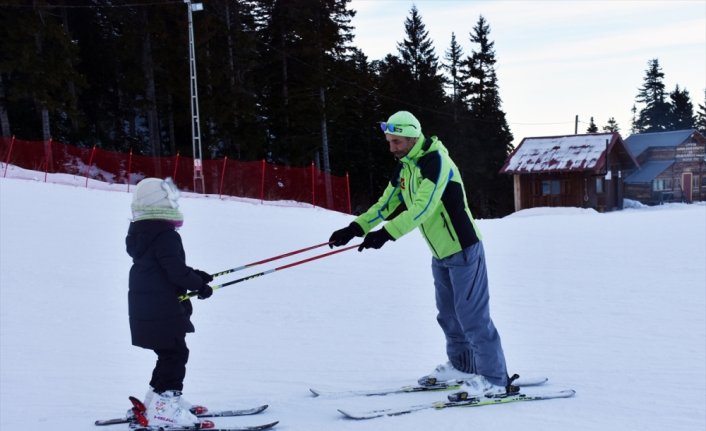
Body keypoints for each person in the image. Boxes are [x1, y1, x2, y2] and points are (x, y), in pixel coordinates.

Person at [328, 111, 513, 398]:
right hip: (440, 253)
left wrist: (387, 234)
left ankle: (495, 379)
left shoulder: (435, 161)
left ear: (413, 136)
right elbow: (385, 204)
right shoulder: (406, 167)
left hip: (464, 249)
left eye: (397, 141)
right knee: (449, 316)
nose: (392, 148)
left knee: (473, 317)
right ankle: (463, 367)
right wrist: (355, 227)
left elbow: (423, 208)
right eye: (389, 142)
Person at [126, 177, 214, 427]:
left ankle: (156, 401)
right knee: (175, 354)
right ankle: (166, 405)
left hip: (149, 306)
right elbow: (174, 271)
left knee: (168, 353)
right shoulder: (165, 234)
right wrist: (199, 285)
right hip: (163, 308)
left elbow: (164, 266)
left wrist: (196, 275)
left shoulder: (142, 233)